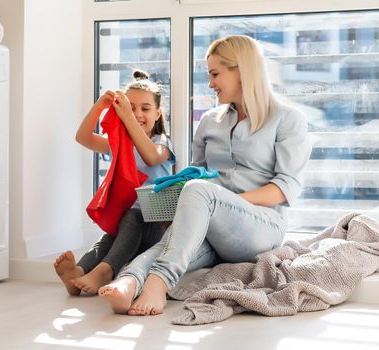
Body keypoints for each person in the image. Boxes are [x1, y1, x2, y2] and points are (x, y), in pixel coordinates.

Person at [99, 34, 312, 315]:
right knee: (171, 240)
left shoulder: (288, 119)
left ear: (242, 71)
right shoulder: (211, 121)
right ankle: (130, 279)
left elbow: (285, 188)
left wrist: (218, 202)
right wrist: (186, 209)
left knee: (201, 191)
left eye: (215, 74)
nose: (210, 84)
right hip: (213, 221)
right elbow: (194, 176)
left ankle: (158, 283)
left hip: (262, 226)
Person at [54, 70, 176, 296]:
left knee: (131, 217)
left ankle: (106, 270)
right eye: (131, 108)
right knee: (109, 236)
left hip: (157, 228)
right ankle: (78, 273)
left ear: (158, 113)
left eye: (145, 109)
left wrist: (128, 118)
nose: (137, 114)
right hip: (129, 230)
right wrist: (99, 106)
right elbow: (83, 138)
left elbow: (151, 157)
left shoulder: (162, 143)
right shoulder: (122, 144)